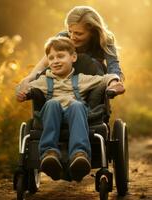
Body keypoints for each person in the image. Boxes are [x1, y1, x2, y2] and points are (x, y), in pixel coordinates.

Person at [16, 36, 125, 182]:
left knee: (77, 105)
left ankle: (79, 155)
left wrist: (113, 83)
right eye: (51, 58)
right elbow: (23, 88)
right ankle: (49, 154)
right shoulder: (41, 82)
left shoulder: (81, 79)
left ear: (73, 57)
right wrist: (22, 93)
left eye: (60, 56)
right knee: (52, 104)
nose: (55, 61)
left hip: (76, 116)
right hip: (51, 117)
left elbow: (106, 78)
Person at [17, 6, 124, 101]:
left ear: (92, 31)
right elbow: (45, 63)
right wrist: (28, 79)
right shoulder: (63, 37)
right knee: (52, 67)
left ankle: (94, 106)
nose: (72, 37)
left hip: (93, 80)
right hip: (64, 79)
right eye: (70, 31)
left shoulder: (104, 40)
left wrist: (113, 82)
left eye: (78, 33)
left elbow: (113, 66)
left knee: (86, 60)